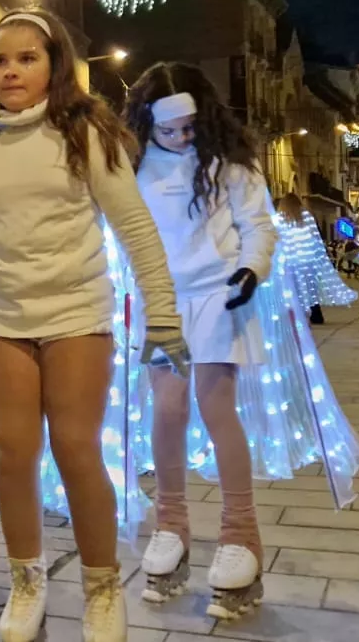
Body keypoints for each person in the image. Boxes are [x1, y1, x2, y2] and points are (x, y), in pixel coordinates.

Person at [0, 9, 186, 642]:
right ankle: (26, 583)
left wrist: (164, 314)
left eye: (27, 58)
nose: (10, 71)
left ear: (55, 65)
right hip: (3, 319)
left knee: (75, 448)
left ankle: (101, 588)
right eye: (0, 60)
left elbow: (135, 227)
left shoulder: (84, 134)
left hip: (76, 316)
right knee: (14, 454)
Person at [125, 62, 277, 621]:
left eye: (189, 127)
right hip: (160, 299)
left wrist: (251, 268)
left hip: (218, 294)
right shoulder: (131, 164)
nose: (180, 137)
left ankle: (241, 533)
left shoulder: (228, 161)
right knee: (167, 410)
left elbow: (258, 225)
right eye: (169, 129)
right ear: (149, 122)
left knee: (217, 410)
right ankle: (171, 524)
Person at [275, 193, 356, 325]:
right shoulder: (306, 216)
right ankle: (316, 315)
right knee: (310, 289)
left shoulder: (279, 219)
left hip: (289, 261)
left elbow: (276, 239)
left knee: (293, 288)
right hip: (307, 260)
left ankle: (295, 315)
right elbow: (315, 238)